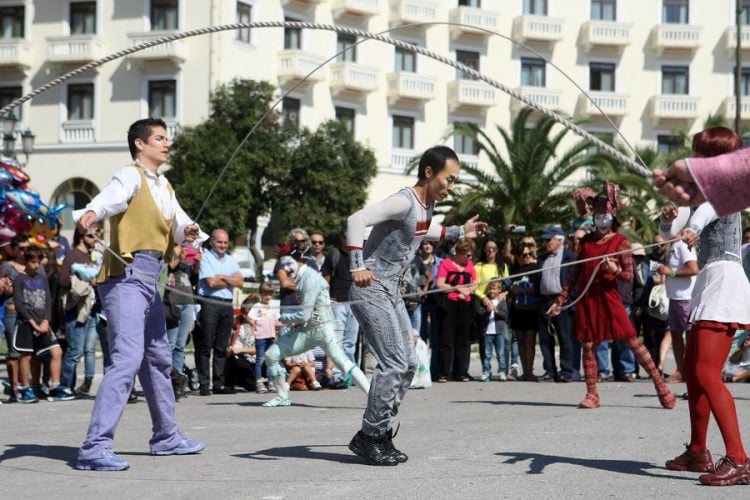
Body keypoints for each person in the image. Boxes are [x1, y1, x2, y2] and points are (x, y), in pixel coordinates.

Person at [74, 117, 204, 472]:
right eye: (159, 138)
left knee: (159, 358)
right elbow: (108, 200)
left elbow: (179, 225)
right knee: (127, 358)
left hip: (152, 278)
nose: (167, 144)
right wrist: (90, 213)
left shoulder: (165, 186)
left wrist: (189, 231)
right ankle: (94, 447)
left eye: (167, 138)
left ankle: (167, 438)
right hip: (125, 277)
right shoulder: (130, 176)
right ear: (140, 144)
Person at [346, 145, 487, 466]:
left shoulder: (426, 207)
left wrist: (459, 231)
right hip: (370, 287)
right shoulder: (403, 200)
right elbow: (357, 220)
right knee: (393, 363)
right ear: (428, 172)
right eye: (448, 179)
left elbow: (425, 230)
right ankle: (369, 436)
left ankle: (378, 432)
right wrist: (357, 264)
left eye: (455, 181)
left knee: (409, 364)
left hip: (391, 290)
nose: (451, 186)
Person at [661, 127, 750, 486]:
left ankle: (740, 459)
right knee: (696, 377)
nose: (693, 160)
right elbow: (675, 234)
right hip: (709, 287)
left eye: (698, 154)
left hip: (723, 285)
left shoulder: (723, 192)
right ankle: (698, 451)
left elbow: (706, 215)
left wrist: (692, 227)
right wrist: (670, 223)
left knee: (707, 375)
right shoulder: (701, 196)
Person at [548, 182, 676, 410]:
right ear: (592, 217)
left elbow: (629, 276)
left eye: (605, 214)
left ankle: (661, 387)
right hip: (589, 301)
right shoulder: (585, 244)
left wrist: (615, 271)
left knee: (633, 342)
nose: (601, 218)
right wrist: (560, 301)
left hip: (610, 300)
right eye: (598, 214)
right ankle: (592, 394)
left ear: (612, 216)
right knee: (588, 346)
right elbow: (573, 276)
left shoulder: (621, 243)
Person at [262, 243, 369, 408]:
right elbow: (307, 314)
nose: (286, 269)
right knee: (271, 355)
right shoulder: (301, 277)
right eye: (283, 265)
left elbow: (303, 314)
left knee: (343, 363)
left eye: (289, 263)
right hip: (308, 331)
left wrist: (284, 317)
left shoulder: (310, 279)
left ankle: (374, 399)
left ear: (299, 260)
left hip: (324, 332)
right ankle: (283, 395)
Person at [13, 245, 74, 403]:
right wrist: (34, 323)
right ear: (26, 262)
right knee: (26, 356)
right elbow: (19, 305)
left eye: (38, 262)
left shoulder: (42, 279)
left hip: (43, 324)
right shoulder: (20, 279)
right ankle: (26, 389)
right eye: (33, 262)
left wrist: (46, 321)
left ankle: (54, 387)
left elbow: (48, 301)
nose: (36, 265)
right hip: (26, 324)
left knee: (56, 351)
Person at [195, 228, 243, 396]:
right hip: (210, 303)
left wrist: (224, 278)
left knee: (222, 347)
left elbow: (241, 281)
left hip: (226, 304)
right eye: (219, 242)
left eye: (225, 242)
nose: (223, 245)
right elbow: (211, 283)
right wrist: (230, 280)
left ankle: (219, 383)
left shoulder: (231, 260)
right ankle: (204, 384)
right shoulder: (206, 258)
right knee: (205, 345)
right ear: (212, 242)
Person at [654, 149, 750, 215]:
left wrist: (703, 172)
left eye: (705, 154)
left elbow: (707, 213)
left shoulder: (728, 202)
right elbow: (669, 233)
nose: (694, 156)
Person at [536, 226, 576, 383]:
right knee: (545, 339)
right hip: (544, 301)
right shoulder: (542, 259)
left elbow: (575, 283)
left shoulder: (570, 258)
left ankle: (566, 371)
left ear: (560, 240)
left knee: (564, 337)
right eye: (545, 240)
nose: (546, 243)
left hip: (562, 302)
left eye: (549, 239)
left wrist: (564, 301)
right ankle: (550, 371)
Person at [321, 228, 360, 388]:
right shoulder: (333, 254)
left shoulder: (359, 255)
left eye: (351, 236)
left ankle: (350, 374)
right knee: (337, 341)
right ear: (341, 238)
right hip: (337, 302)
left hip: (355, 303)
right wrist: (326, 299)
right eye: (346, 236)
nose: (348, 239)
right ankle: (337, 376)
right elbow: (326, 278)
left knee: (351, 342)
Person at [655, 239, 698, 382]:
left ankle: (693, 373)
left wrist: (670, 273)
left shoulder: (683, 245)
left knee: (690, 335)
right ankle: (682, 372)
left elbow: (693, 269)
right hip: (674, 298)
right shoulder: (674, 245)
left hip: (685, 298)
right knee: (675, 334)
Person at [435, 239, 477, 382]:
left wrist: (467, 291)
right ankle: (443, 372)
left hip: (465, 304)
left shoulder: (470, 265)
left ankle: (461, 371)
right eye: (467, 255)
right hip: (449, 303)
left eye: (471, 255)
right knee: (447, 338)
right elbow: (440, 284)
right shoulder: (446, 264)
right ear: (460, 253)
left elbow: (474, 285)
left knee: (463, 339)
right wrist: (458, 288)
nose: (470, 258)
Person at [165, 240, 199, 397]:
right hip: (173, 302)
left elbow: (193, 281)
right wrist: (178, 256)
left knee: (180, 345)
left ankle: (177, 381)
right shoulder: (169, 253)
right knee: (170, 345)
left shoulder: (188, 261)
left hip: (188, 303)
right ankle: (167, 380)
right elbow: (166, 269)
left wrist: (197, 265)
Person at [473, 238, 508, 376]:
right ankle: (486, 370)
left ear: (497, 250)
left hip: (500, 307)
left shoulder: (503, 266)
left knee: (504, 340)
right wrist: (484, 297)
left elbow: (507, 285)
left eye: (493, 248)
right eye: (488, 248)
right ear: (484, 250)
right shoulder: (478, 266)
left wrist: (504, 293)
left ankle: (503, 370)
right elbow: (475, 287)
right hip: (483, 307)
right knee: (484, 342)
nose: (491, 251)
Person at [509, 242, 540, 381]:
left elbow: (538, 289)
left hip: (532, 309)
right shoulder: (514, 270)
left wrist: (521, 290)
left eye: (529, 254)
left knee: (530, 340)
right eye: (523, 255)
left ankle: (530, 371)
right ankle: (525, 370)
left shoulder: (536, 268)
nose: (526, 257)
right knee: (520, 340)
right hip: (518, 308)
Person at [248, 281, 280, 394]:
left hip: (271, 337)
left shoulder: (273, 307)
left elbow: (276, 321)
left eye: (270, 294)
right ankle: (259, 382)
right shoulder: (257, 306)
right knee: (260, 360)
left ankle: (270, 381)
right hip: (261, 337)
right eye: (265, 294)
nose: (267, 297)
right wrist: (253, 326)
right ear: (261, 294)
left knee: (270, 360)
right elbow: (250, 318)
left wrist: (288, 323)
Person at [479, 281, 509, 382]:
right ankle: (486, 371)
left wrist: (495, 310)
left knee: (500, 353)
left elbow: (505, 316)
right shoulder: (485, 302)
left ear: (499, 290)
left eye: (494, 289)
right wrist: (487, 310)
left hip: (499, 332)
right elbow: (480, 314)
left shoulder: (502, 302)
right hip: (487, 332)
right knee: (487, 354)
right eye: (490, 289)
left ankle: (502, 371)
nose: (492, 291)